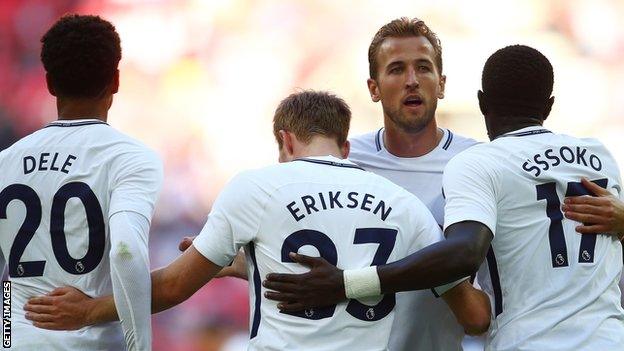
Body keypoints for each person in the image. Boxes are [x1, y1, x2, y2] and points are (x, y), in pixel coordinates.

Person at [23, 91, 491, 350]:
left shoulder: (256, 187)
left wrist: (89, 310)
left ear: (285, 142)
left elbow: (171, 288)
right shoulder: (405, 205)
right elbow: (473, 316)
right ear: (346, 147)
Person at [263, 45, 624, 350]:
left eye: (422, 68)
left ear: (481, 102)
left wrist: (347, 283)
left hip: (530, 340)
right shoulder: (599, 156)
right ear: (549, 105)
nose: (411, 81)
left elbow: (464, 253)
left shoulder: (478, 163)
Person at [0, 15, 162, 350]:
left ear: (49, 84)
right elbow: (126, 249)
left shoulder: (6, 162)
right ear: (115, 80)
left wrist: (7, 329)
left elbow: (5, 277)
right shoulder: (131, 157)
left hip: (15, 340)